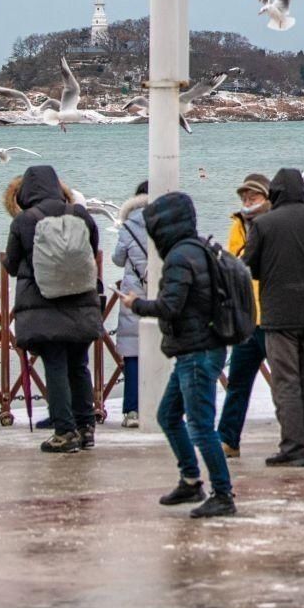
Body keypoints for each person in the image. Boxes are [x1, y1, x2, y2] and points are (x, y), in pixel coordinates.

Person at [121, 191, 235, 518]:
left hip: (197, 351)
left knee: (200, 426)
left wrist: (136, 304)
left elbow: (171, 306)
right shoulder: (198, 247)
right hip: (199, 346)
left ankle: (223, 494)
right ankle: (190, 479)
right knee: (168, 415)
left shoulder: (179, 258)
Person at [243, 167, 304, 468]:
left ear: (274, 193)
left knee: (285, 380)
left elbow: (250, 264)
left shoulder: (263, 225)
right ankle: (300, 442)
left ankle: (292, 446)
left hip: (278, 312)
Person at [2, 164, 102, 454]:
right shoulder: (79, 213)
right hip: (81, 302)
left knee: (56, 367)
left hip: (43, 306)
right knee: (79, 366)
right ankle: (86, 428)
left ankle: (64, 431)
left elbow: (11, 264)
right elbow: (92, 247)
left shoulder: (24, 221)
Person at [216, 173, 271, 456]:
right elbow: (234, 260)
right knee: (238, 379)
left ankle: (295, 436)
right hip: (247, 315)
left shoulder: (276, 223)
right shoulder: (238, 224)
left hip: (273, 314)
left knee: (286, 381)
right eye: (245, 198)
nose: (248, 202)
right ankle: (228, 438)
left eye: (254, 197)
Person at [110, 183, 149, 428]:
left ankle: (132, 410)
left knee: (133, 353)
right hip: (164, 292)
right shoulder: (170, 221)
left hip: (134, 293)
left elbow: (117, 258)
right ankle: (166, 406)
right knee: (168, 349)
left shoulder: (129, 225)